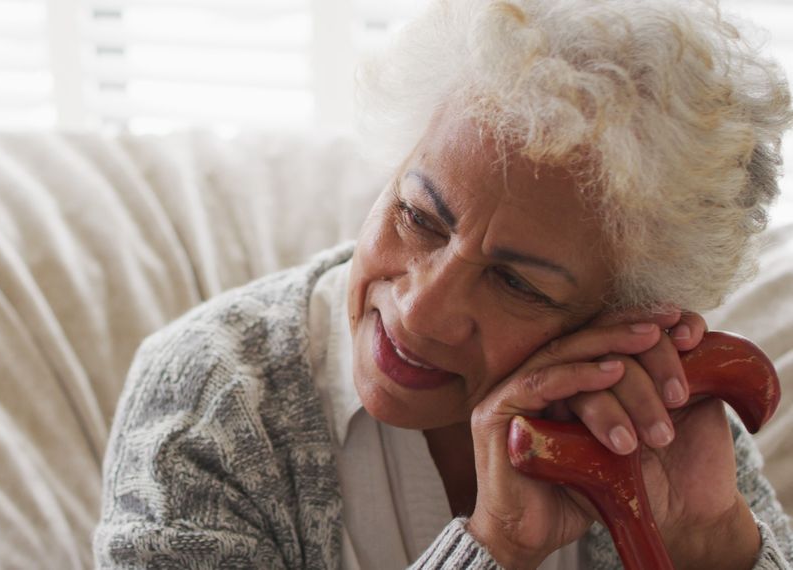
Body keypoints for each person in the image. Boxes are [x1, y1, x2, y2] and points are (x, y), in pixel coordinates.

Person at [94, 0, 793, 568]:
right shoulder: (207, 404)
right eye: (419, 216)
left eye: (516, 282)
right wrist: (495, 548)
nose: (422, 312)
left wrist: (712, 548)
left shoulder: (652, 414)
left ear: (627, 315)